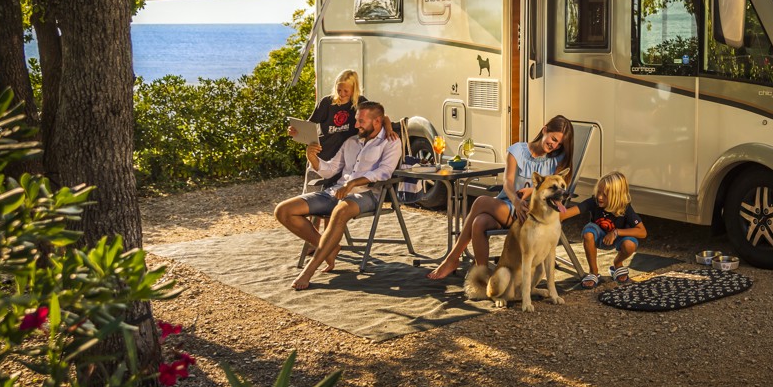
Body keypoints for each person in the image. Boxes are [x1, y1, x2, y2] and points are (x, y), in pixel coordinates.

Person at [425, 115, 574, 280]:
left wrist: (532, 191)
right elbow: (507, 182)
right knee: (479, 222)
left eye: (559, 143)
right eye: (553, 138)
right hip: (508, 204)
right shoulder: (517, 150)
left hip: (531, 213)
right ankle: (483, 276)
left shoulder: (556, 160)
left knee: (481, 201)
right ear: (545, 130)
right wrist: (516, 201)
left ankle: (453, 258)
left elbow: (557, 187)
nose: (554, 145)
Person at [274, 100, 401, 290]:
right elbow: (330, 169)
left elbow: (384, 173)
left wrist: (353, 183)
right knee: (283, 210)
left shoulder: (390, 142)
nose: (356, 125)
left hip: (368, 194)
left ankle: (308, 271)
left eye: (361, 121)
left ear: (377, 122)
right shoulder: (350, 142)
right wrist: (313, 158)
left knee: (341, 210)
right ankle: (330, 247)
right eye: (356, 120)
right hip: (337, 191)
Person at [560, 171, 646, 288]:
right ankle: (594, 272)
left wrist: (616, 232)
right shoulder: (593, 201)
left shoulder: (624, 207)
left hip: (617, 239)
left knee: (630, 244)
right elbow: (566, 214)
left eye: (605, 194)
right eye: (599, 192)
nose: (600, 197)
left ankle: (617, 264)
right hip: (598, 237)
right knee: (588, 232)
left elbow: (642, 231)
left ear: (617, 195)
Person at [293, 70, 364, 188]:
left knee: (335, 198)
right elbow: (308, 126)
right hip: (320, 157)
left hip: (344, 162)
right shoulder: (326, 102)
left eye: (346, 91)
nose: (341, 94)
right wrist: (296, 131)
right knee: (311, 198)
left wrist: (388, 128)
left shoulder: (360, 103)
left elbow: (379, 116)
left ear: (354, 89)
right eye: (339, 90)